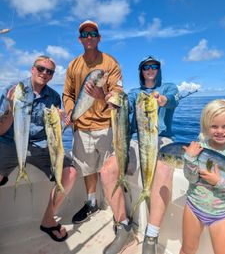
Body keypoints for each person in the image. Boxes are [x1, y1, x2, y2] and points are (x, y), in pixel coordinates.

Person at [100, 56, 179, 254]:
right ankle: (124, 227)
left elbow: (171, 100)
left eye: (154, 66)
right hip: (138, 138)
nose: (150, 69)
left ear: (158, 69)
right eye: (146, 67)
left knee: (162, 168)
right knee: (107, 170)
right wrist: (112, 101)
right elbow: (124, 105)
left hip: (162, 138)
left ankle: (151, 236)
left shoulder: (169, 87)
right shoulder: (135, 93)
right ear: (141, 71)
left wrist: (162, 100)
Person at [0, 55, 77, 242]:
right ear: (32, 69)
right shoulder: (13, 90)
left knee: (70, 173)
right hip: (11, 141)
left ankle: (48, 220)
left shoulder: (54, 96)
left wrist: (61, 121)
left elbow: (54, 130)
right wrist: (11, 108)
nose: (44, 73)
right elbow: (1, 129)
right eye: (41, 68)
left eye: (49, 71)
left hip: (41, 144)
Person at [62, 20, 123, 224]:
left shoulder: (110, 63)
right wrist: (71, 112)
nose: (89, 37)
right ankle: (92, 203)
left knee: (110, 172)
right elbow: (68, 94)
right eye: (85, 34)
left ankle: (118, 215)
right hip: (81, 127)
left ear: (99, 38)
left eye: (93, 34)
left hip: (107, 126)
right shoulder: (73, 65)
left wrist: (101, 95)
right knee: (87, 169)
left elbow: (118, 94)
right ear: (80, 39)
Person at [180, 99, 225, 254]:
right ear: (206, 127)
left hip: (221, 214)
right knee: (187, 249)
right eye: (214, 126)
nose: (219, 131)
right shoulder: (199, 147)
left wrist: (218, 182)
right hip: (194, 206)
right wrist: (189, 160)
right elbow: (191, 178)